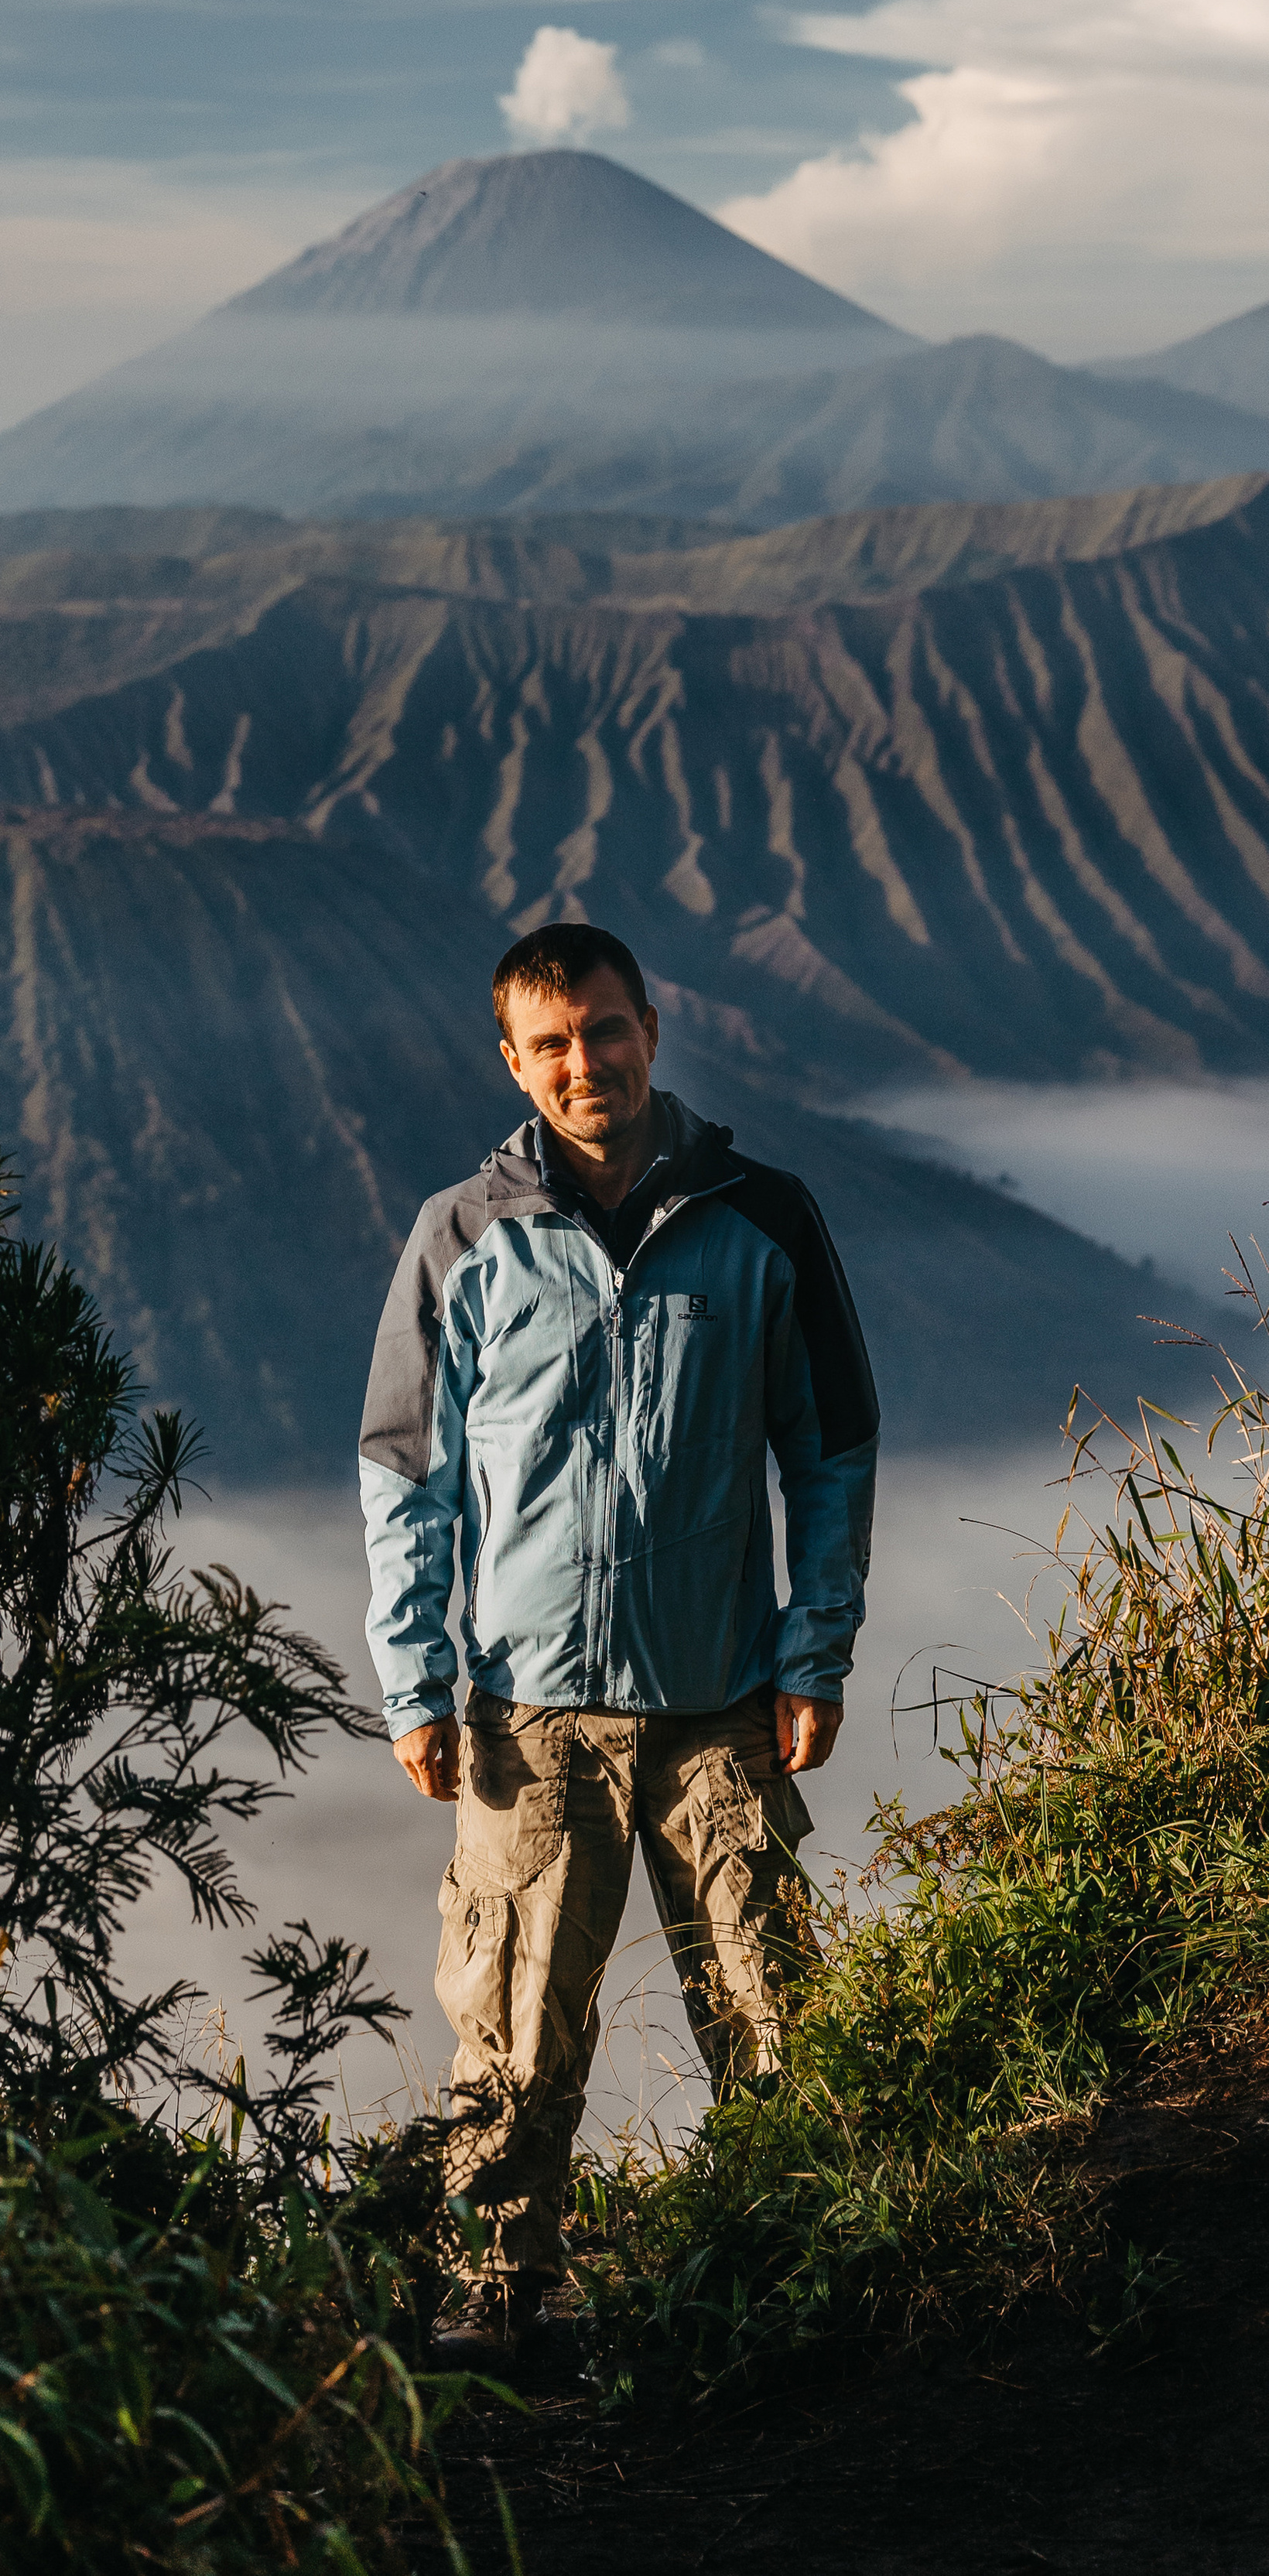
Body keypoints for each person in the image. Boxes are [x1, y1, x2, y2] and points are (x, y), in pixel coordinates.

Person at [358, 922, 877, 2364]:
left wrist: (813, 1655)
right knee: (517, 2036)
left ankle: (810, 2273)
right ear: (514, 1066)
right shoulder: (461, 1239)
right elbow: (407, 1478)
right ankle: (501, 2304)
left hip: (722, 1702)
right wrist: (416, 1685)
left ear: (653, 1022)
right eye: (554, 1043)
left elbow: (830, 1450)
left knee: (772, 2011)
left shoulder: (764, 1218)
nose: (587, 1062)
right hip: (529, 1718)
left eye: (606, 1027)